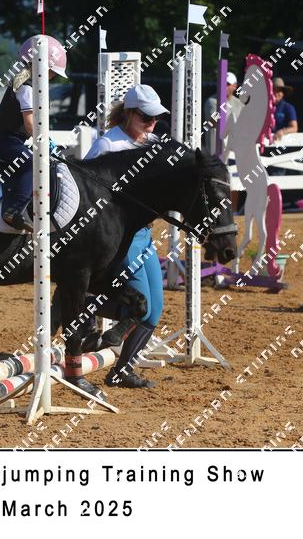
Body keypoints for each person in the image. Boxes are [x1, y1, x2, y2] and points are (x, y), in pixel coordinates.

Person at [84, 84, 168, 388]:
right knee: (140, 305)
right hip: (120, 237)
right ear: (130, 113)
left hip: (144, 234)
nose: (152, 123)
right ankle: (83, 305)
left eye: (155, 117)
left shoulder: (154, 143)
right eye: (146, 117)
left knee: (154, 311)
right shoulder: (107, 145)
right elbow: (87, 190)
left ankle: (122, 371)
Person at [0, 35, 68, 232]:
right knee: (34, 163)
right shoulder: (26, 88)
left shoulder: (30, 86)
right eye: (52, 72)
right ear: (41, 66)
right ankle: (13, 210)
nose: (53, 76)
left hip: (14, 140)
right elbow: (30, 122)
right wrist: (45, 142)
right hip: (7, 142)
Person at [203, 71, 238, 155]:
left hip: (234, 152)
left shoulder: (239, 103)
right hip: (215, 152)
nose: (224, 86)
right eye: (222, 83)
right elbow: (213, 123)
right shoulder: (211, 101)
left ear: (234, 86)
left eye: (227, 84)